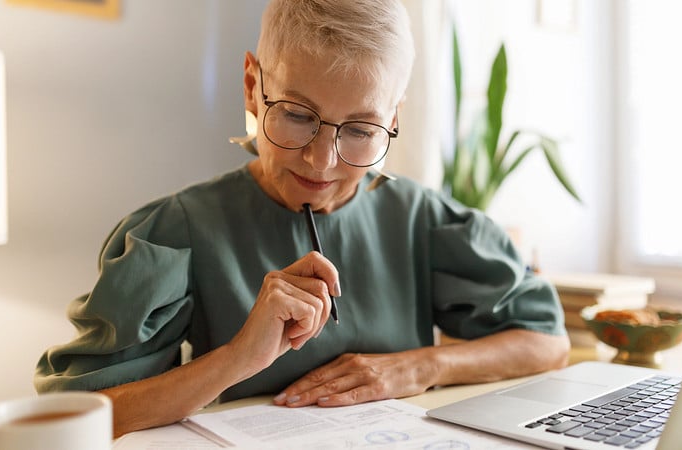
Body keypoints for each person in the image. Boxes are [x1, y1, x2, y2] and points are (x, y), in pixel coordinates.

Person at [35, 0, 570, 438]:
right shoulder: (175, 232)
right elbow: (71, 416)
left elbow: (548, 341)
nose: (322, 162)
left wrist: (419, 366)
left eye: (361, 129)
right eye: (295, 115)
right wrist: (240, 357)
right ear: (251, 86)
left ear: (394, 119)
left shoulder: (425, 221)